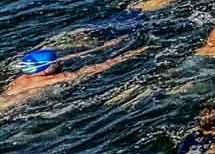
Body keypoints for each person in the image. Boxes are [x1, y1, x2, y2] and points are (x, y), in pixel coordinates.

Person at [4, 45, 146, 100]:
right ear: (46, 67)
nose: (59, 62)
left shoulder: (20, 79)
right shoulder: (56, 78)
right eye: (56, 62)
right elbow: (94, 69)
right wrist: (132, 53)